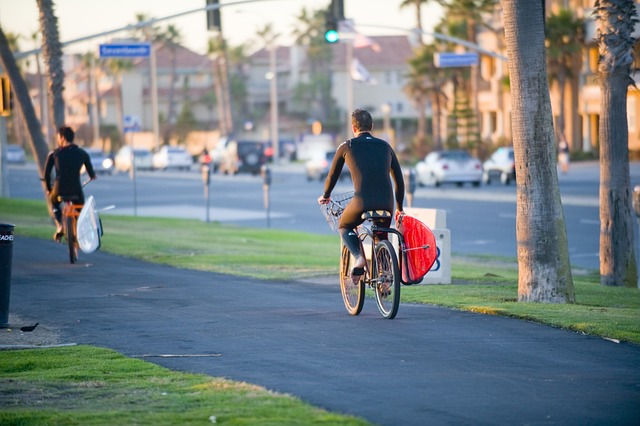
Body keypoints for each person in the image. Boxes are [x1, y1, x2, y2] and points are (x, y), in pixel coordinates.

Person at [318, 108, 405, 284]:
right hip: (386, 203)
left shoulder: (346, 146)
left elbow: (332, 175)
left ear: (353, 127)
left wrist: (325, 195)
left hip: (361, 202)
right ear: (371, 126)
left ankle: (359, 258)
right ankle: (386, 277)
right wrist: (399, 208)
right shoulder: (385, 146)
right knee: (381, 235)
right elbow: (399, 180)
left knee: (344, 225)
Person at [43, 125, 96, 242]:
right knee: (80, 207)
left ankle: (60, 225)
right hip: (76, 189)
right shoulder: (83, 153)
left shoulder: (54, 154)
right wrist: (92, 177)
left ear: (62, 137)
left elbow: (46, 174)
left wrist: (48, 189)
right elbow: (91, 173)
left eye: (58, 137)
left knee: (54, 202)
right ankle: (79, 228)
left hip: (58, 189)